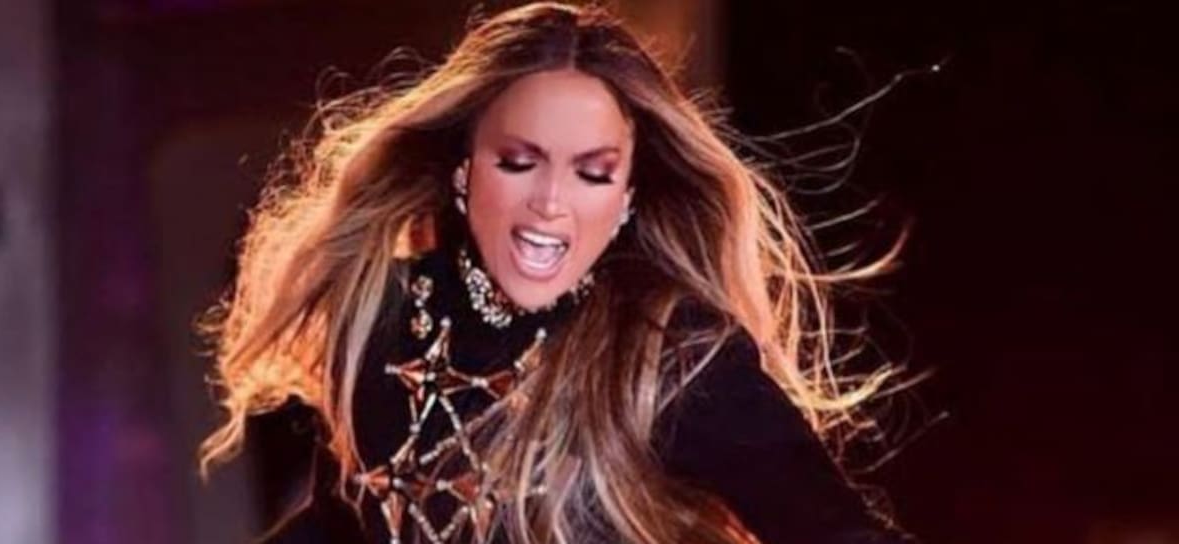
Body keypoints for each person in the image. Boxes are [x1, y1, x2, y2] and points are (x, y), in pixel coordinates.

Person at [198, 2, 919, 542]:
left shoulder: (668, 350)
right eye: (519, 162)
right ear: (464, 170)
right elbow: (344, 520)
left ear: (627, 197)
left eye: (592, 174)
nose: (550, 202)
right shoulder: (381, 312)